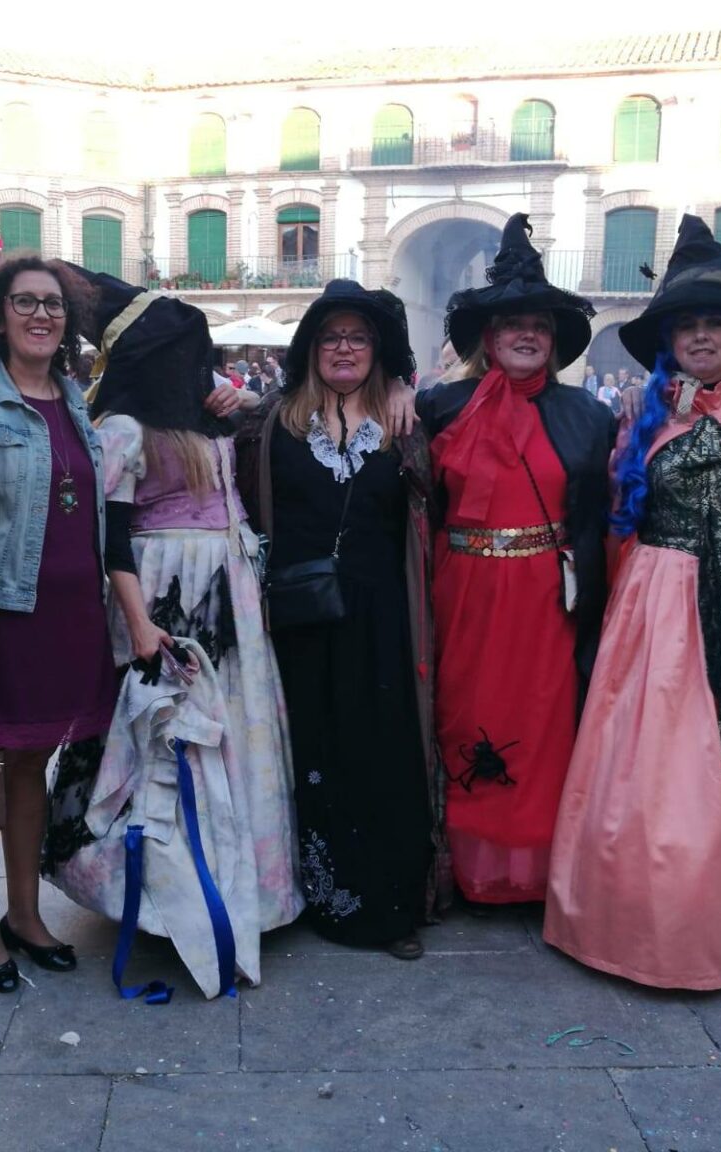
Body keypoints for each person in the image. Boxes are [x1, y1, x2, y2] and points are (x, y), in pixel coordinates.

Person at [545, 215, 721, 990]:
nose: (702, 336)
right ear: (669, 341)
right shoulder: (643, 418)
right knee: (649, 763)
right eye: (687, 325)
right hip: (656, 603)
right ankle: (628, 922)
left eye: (715, 322)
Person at [46, 265, 302, 974]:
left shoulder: (212, 410)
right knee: (164, 739)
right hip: (166, 592)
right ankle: (158, 894)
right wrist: (138, 624)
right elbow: (109, 538)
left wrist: (247, 402)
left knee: (233, 730)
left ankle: (242, 884)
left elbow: (278, 426)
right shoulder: (124, 427)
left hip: (232, 587)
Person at [235, 280, 442, 959]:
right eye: (331, 337)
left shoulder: (405, 425)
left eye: (358, 337)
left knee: (382, 751)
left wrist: (406, 386)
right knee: (312, 753)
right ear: (312, 349)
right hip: (299, 620)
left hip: (381, 618)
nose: (344, 348)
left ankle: (389, 907)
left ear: (377, 350)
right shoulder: (271, 424)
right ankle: (317, 895)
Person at [416, 214, 614, 907]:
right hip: (463, 590)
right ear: (488, 338)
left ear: (553, 340)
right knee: (464, 713)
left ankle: (532, 870)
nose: (525, 335)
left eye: (538, 326)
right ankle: (467, 866)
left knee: (541, 722)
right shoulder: (438, 408)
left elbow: (606, 512)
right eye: (510, 325)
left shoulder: (589, 416)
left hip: (546, 599)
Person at [0, 255, 113, 989]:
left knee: (33, 763)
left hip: (69, 613)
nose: (42, 315)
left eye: (54, 304)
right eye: (25, 302)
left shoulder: (73, 396)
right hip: (1, 614)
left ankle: (26, 914)